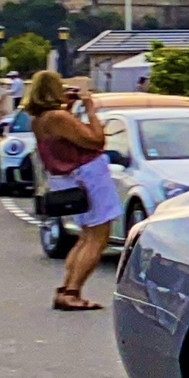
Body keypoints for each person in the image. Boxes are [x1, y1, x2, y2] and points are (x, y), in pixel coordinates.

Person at [27, 72, 120, 312]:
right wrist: (90, 110)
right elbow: (96, 140)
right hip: (88, 174)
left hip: (69, 178)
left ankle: (67, 288)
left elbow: (64, 139)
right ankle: (73, 291)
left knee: (85, 236)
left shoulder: (39, 120)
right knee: (98, 237)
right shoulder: (58, 117)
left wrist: (68, 109)